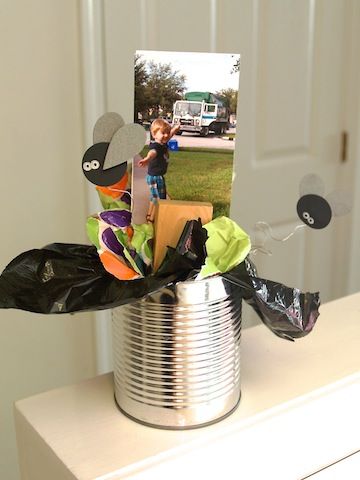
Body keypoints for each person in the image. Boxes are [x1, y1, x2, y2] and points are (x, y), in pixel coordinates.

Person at [138, 118, 180, 222]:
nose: (166, 135)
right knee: (158, 199)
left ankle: (149, 215)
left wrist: (175, 129)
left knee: (156, 198)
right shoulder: (156, 146)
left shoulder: (163, 143)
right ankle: (152, 219)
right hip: (155, 178)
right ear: (154, 134)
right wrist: (147, 159)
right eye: (163, 133)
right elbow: (152, 153)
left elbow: (170, 135)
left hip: (158, 177)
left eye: (167, 132)